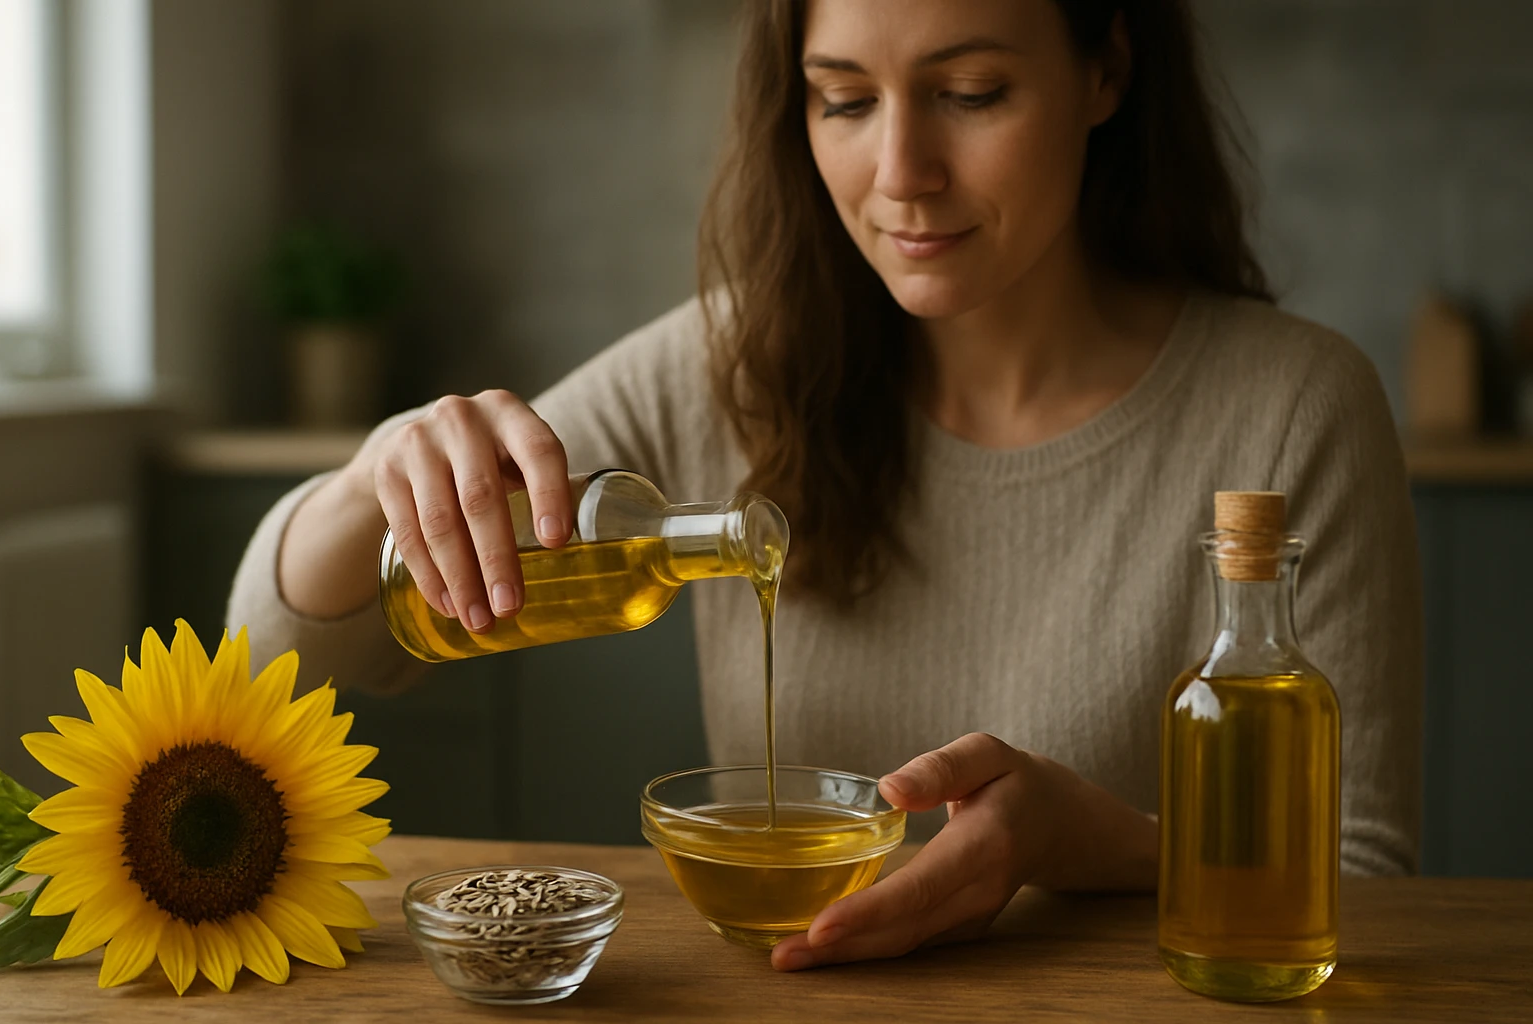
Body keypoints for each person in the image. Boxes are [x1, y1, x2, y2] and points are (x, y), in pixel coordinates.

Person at [228, 0, 1422, 972]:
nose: (901, 173)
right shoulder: (724, 368)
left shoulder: (1293, 405)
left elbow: (1360, 880)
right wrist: (374, 478)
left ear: (1106, 68)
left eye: (972, 93)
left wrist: (1097, 843)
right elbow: (278, 657)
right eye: (844, 101)